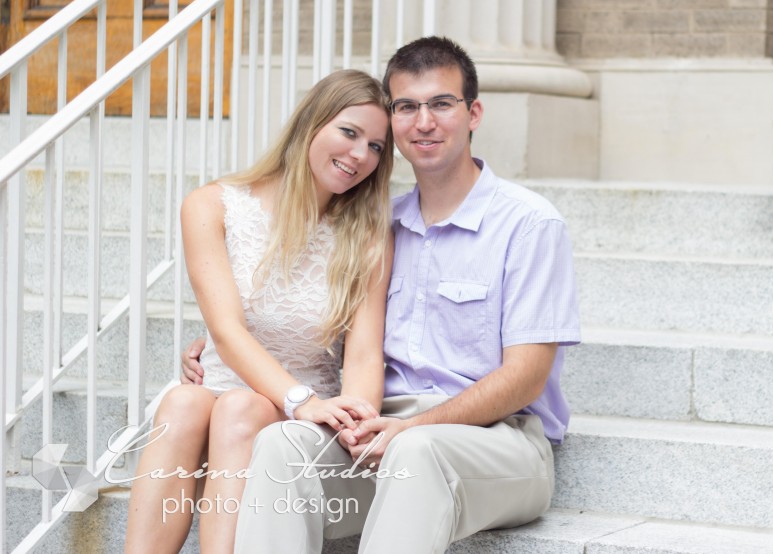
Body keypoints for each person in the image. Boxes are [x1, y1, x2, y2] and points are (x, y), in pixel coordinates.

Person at [182, 37, 582, 554]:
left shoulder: (528, 224)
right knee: (281, 444)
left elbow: (525, 376)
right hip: (381, 427)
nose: (424, 122)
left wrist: (413, 425)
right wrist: (215, 343)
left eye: (441, 104)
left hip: (500, 444)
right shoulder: (375, 225)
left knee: (415, 452)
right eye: (407, 107)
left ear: (473, 112)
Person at [124, 69, 394, 554]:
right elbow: (226, 332)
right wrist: (298, 399)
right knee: (183, 403)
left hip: (306, 412)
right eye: (349, 133)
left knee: (240, 408)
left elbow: (363, 354)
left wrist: (354, 419)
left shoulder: (367, 235)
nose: (360, 155)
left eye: (376, 147)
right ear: (310, 125)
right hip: (234, 391)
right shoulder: (212, 206)